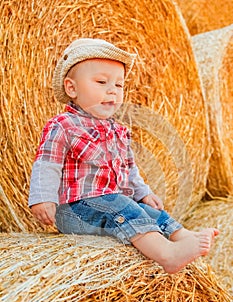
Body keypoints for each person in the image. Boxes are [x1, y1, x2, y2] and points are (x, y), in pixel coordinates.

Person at [29, 38, 219, 274]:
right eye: (101, 82)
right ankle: (167, 254)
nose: (112, 90)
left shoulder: (118, 131)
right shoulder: (64, 125)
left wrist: (144, 192)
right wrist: (42, 197)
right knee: (120, 205)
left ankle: (183, 237)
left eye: (119, 85)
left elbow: (129, 170)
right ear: (72, 88)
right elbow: (47, 163)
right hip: (76, 211)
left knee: (144, 210)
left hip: (109, 204)